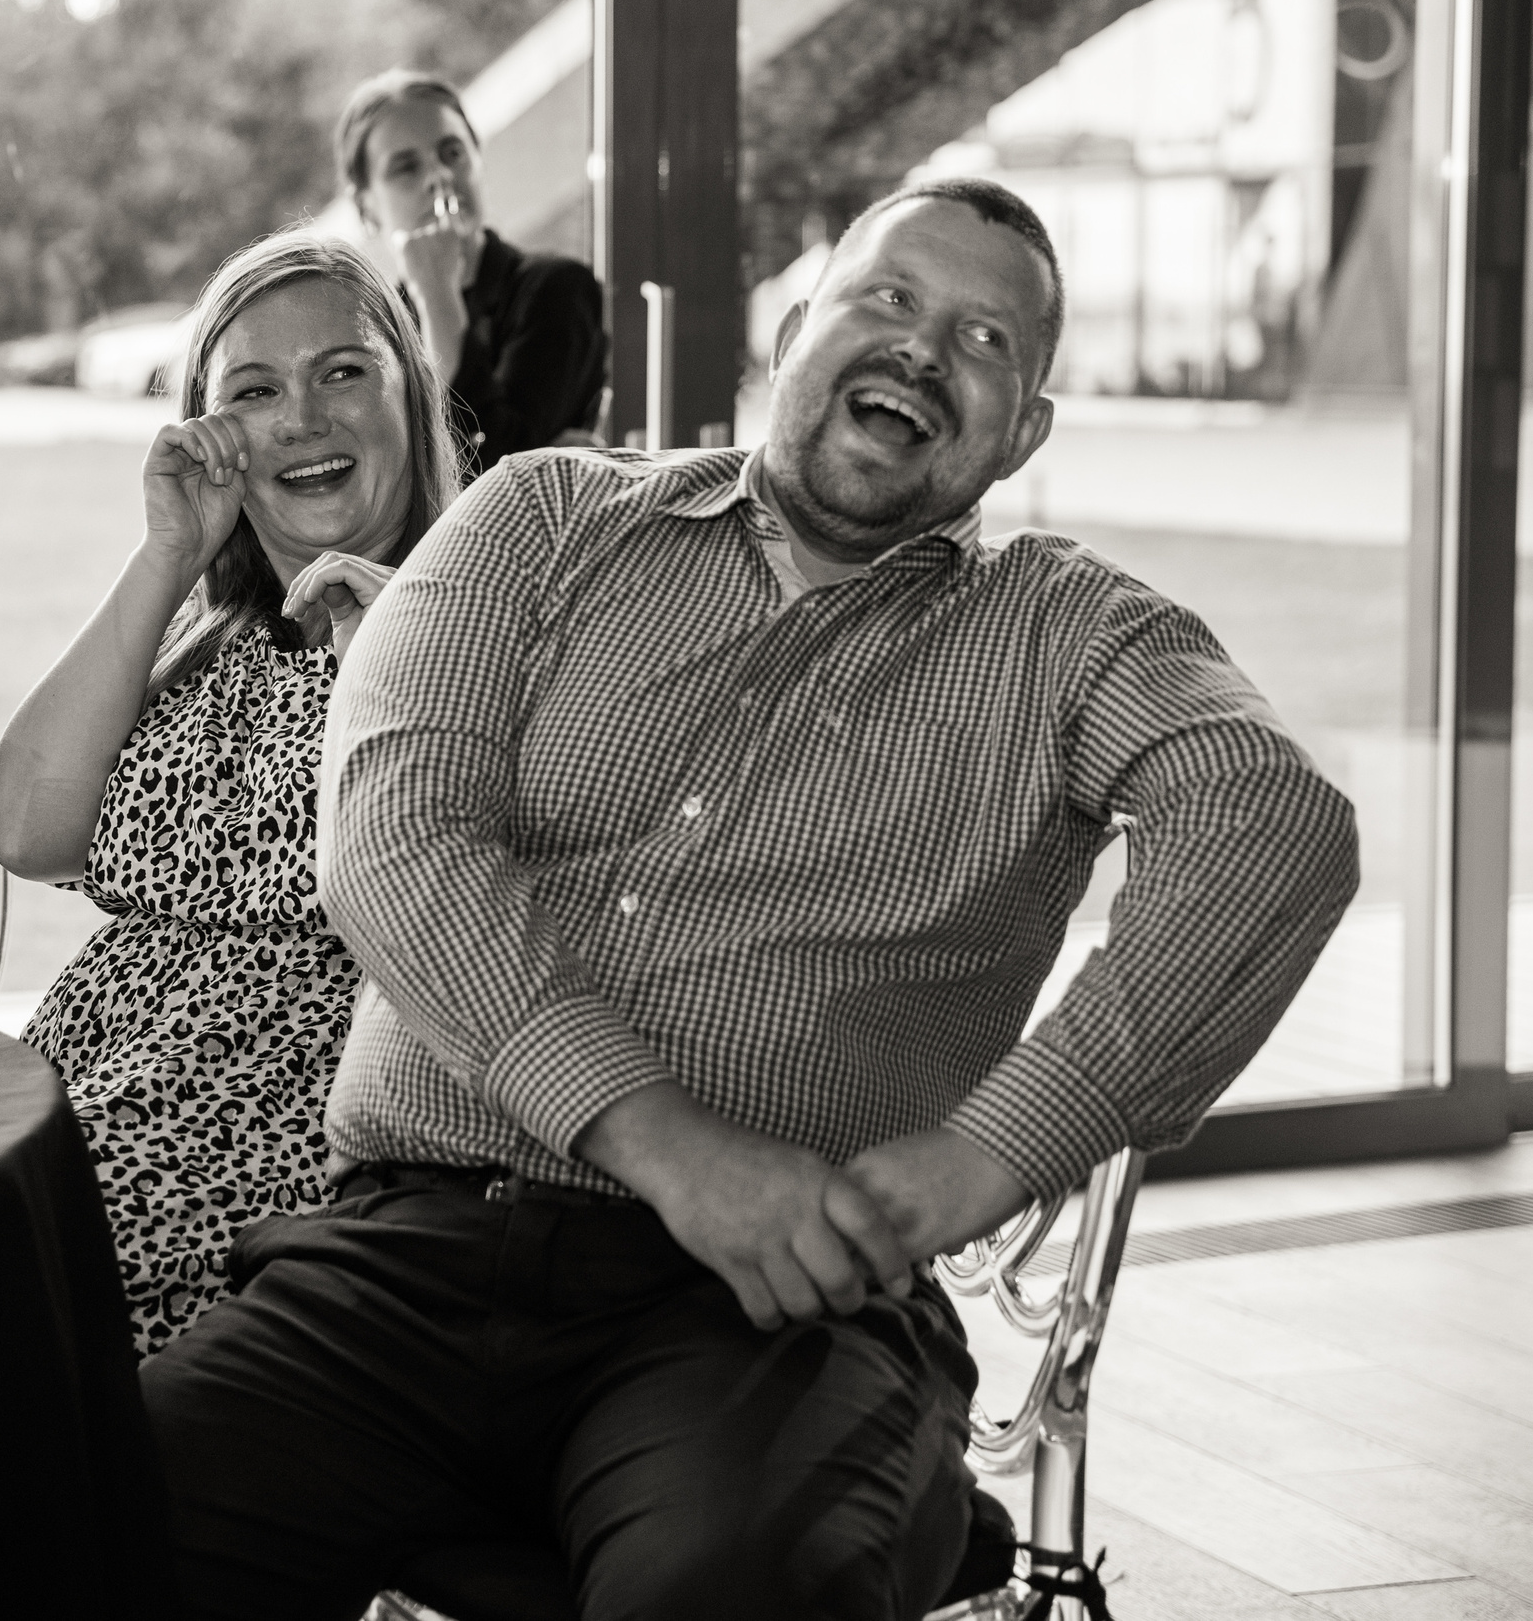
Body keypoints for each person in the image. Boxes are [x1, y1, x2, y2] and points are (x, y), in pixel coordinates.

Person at [140, 178, 1361, 1617]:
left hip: (776, 1315)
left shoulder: (1071, 633)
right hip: (406, 1259)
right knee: (68, 1522)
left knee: (738, 1584)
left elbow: (1277, 820)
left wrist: (982, 1159)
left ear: (1023, 429)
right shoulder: (541, 516)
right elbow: (396, 839)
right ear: (799, 325)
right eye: (889, 300)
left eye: (983, 341)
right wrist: (664, 1143)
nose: (920, 348)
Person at [0, 233, 458, 1355]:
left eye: (343, 371)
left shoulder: (477, 614)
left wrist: (386, 636)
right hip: (87, 1094)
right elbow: (25, 829)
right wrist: (167, 555)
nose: (301, 417)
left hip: (277, 1138)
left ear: (411, 389)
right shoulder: (225, 636)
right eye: (253, 391)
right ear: (213, 437)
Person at [336, 68, 608, 474]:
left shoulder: (555, 290)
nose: (440, 176)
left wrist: (438, 297)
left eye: (453, 153)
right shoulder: (368, 330)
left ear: (478, 160)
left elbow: (493, 471)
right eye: (406, 167)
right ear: (366, 207)